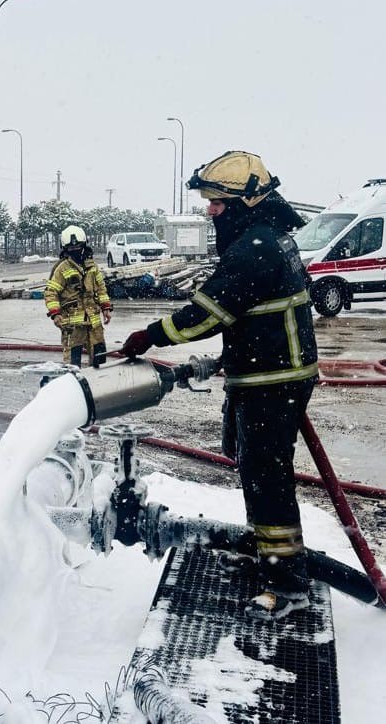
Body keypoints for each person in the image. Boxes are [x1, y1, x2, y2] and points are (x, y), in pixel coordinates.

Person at [120, 151, 318, 621]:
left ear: (247, 202)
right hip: (266, 373)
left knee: (268, 479)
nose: (210, 211)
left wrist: (152, 335)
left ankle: (286, 583)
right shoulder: (267, 238)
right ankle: (267, 556)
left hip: (273, 379)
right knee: (256, 470)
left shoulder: (256, 249)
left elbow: (209, 313)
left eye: (217, 203)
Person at [44, 225, 112, 368]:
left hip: (93, 322)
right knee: (73, 365)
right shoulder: (62, 268)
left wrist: (106, 307)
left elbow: (101, 288)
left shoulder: (92, 266)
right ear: (65, 248)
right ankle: (74, 381)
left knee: (100, 359)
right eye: (71, 248)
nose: (75, 250)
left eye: (78, 246)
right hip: (72, 325)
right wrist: (55, 313)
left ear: (84, 245)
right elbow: (51, 292)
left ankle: (97, 381)